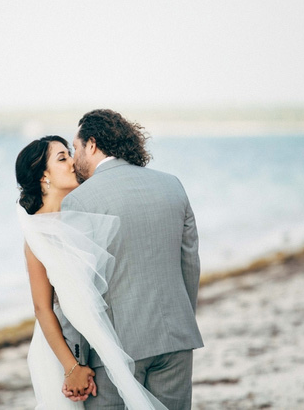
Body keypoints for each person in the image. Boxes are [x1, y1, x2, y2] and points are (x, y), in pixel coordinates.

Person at [63, 109, 203, 409]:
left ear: (91, 144)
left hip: (115, 349)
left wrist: (77, 362)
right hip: (176, 337)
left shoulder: (78, 200)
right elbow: (189, 262)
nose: (74, 159)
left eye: (75, 148)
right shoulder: (172, 185)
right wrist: (181, 321)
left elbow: (75, 288)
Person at [16, 136, 166, 409]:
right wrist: (71, 367)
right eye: (62, 158)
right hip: (61, 350)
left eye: (69, 154)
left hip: (101, 343)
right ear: (43, 177)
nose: (73, 162)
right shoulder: (36, 234)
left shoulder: (83, 221)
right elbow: (43, 309)